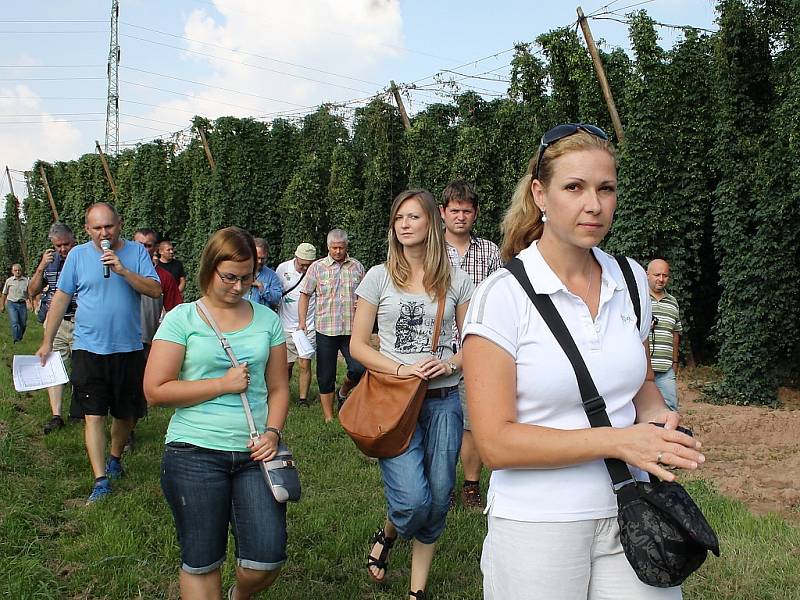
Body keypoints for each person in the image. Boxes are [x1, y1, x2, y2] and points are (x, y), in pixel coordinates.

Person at [461, 124, 705, 599]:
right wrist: (620, 441)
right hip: (538, 523)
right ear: (540, 194)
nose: (593, 204)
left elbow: (638, 387)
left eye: (605, 188)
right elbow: (494, 444)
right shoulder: (501, 297)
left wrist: (659, 419)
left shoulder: (631, 281)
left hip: (634, 508)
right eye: (574, 187)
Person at [144, 226, 289, 600]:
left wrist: (273, 432)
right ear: (210, 269)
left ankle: (238, 595)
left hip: (255, 454)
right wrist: (221, 385)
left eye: (247, 277)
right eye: (230, 277)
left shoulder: (267, 321)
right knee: (202, 560)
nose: (239, 287)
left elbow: (278, 388)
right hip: (193, 451)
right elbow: (155, 390)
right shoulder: (182, 319)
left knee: (266, 559)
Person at [351, 190, 473, 600]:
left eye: (413, 217)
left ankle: (416, 591)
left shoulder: (456, 279)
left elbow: (474, 343)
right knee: (414, 501)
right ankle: (390, 529)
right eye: (399, 217)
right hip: (393, 400)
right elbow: (358, 346)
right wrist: (402, 368)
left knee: (438, 500)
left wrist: (452, 363)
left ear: (432, 224)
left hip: (442, 402)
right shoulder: (377, 276)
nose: (404, 224)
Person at [36, 202, 161, 504]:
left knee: (125, 414)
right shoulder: (77, 256)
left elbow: (155, 290)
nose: (104, 233)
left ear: (119, 224)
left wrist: (123, 270)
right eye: (97, 228)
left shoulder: (136, 253)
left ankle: (115, 457)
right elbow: (61, 298)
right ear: (87, 229)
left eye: (109, 226)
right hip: (88, 348)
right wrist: (46, 341)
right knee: (93, 416)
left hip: (128, 347)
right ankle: (100, 479)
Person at [440, 180, 501, 510]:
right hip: (438, 349)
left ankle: (471, 486)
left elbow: (499, 299)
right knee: (438, 419)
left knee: (472, 421)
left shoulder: (489, 252)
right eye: (454, 210)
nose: (460, 216)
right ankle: (441, 484)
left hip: (479, 349)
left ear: (475, 214)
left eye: (466, 210)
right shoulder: (431, 249)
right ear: (443, 213)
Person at [298, 229, 366, 422]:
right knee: (325, 374)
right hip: (326, 329)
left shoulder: (357, 267)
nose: (337, 252)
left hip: (351, 330)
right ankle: (329, 416)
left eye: (341, 248)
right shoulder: (317, 267)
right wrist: (302, 322)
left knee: (359, 368)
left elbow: (365, 296)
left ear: (346, 247)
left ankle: (343, 391)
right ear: (328, 247)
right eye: (334, 248)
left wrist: (361, 304)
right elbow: (305, 296)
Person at [27, 223, 80, 434]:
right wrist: (41, 266)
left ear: (73, 240)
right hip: (55, 321)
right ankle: (56, 415)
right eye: (58, 246)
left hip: (80, 318)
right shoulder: (49, 262)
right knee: (54, 364)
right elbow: (32, 291)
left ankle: (79, 411)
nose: (62, 249)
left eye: (66, 244)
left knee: (81, 367)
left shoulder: (82, 257)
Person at [276, 242, 317, 406]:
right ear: (296, 257)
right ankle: (283, 394)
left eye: (309, 265)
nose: (305, 269)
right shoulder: (282, 269)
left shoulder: (317, 270)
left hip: (309, 324)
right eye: (302, 265)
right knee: (286, 365)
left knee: (305, 362)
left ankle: (302, 399)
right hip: (286, 324)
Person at [647, 258, 683, 411]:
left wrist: (675, 363)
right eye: (657, 275)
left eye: (665, 275)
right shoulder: (638, 300)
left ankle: (668, 435)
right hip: (642, 369)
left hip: (666, 369)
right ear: (647, 275)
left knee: (670, 409)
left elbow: (676, 333)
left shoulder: (673, 302)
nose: (661, 279)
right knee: (642, 411)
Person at [245, 237, 283, 311]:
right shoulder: (240, 271)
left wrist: (262, 287)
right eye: (257, 258)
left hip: (263, 319)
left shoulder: (272, 276)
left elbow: (277, 300)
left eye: (263, 258)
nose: (260, 261)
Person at [1, 263, 30, 343]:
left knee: (23, 324)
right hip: (12, 304)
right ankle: (16, 340)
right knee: (15, 322)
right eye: (15, 270)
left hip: (22, 304)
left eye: (19, 270)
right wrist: (2, 305)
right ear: (12, 271)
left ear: (21, 271)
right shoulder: (9, 281)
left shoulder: (26, 281)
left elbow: (30, 294)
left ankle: (19, 337)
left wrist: (32, 304)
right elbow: (4, 294)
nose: (17, 272)